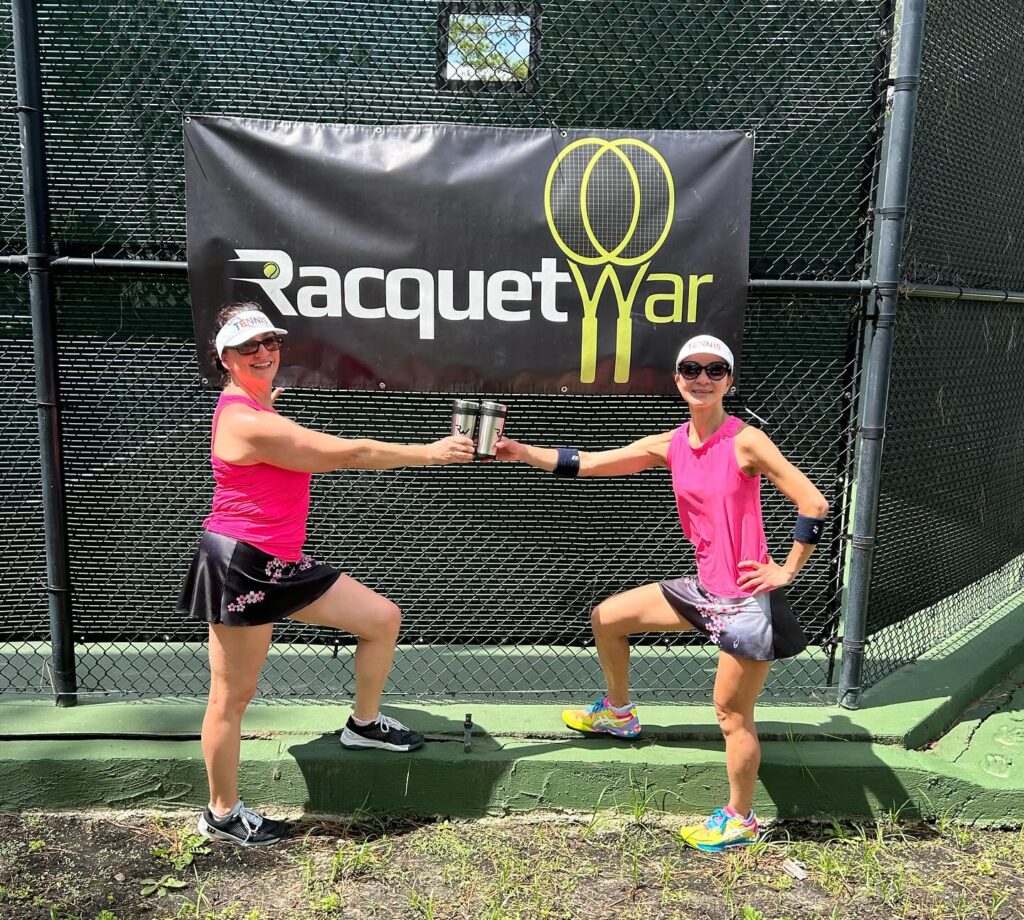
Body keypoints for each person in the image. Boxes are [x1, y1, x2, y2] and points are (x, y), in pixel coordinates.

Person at [495, 335, 828, 853]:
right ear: (677, 380)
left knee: (731, 714)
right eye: (691, 369)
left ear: (729, 382)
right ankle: (619, 713)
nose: (703, 378)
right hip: (701, 590)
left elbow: (813, 502)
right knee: (608, 617)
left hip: (742, 602)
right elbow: (588, 463)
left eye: (715, 370)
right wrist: (519, 453)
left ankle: (741, 818)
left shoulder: (747, 440)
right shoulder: (670, 444)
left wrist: (786, 570)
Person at [178, 302, 475, 847]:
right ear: (226, 358)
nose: (264, 353)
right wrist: (430, 453)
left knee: (382, 619)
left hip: (281, 560)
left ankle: (363, 726)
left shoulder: (256, 405)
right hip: (241, 565)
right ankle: (221, 813)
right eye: (249, 348)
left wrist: (265, 396)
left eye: (270, 343)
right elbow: (347, 453)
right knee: (231, 697)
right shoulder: (243, 418)